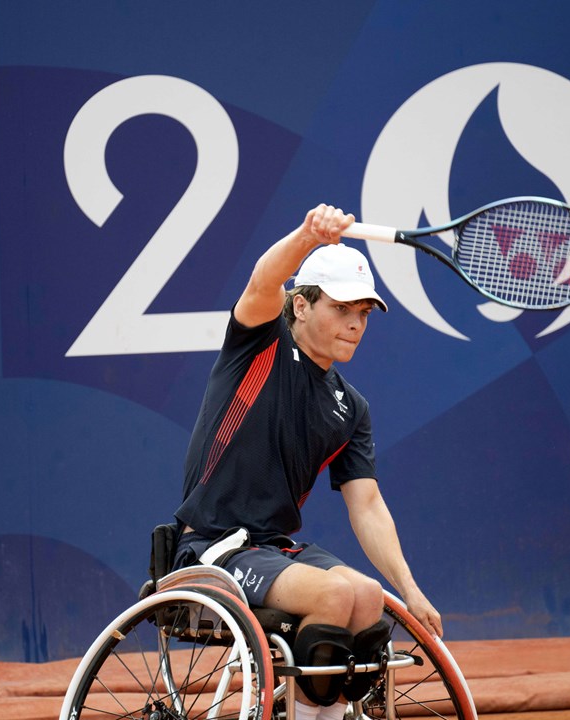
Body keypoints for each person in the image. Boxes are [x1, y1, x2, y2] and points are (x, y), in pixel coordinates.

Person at [172, 204, 441, 720]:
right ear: (299, 306)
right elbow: (261, 283)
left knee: (367, 597)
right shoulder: (261, 344)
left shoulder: (351, 408)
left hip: (273, 549)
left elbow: (367, 505)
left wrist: (408, 589)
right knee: (337, 596)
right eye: (342, 309)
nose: (356, 324)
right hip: (211, 546)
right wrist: (307, 236)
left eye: (363, 313)